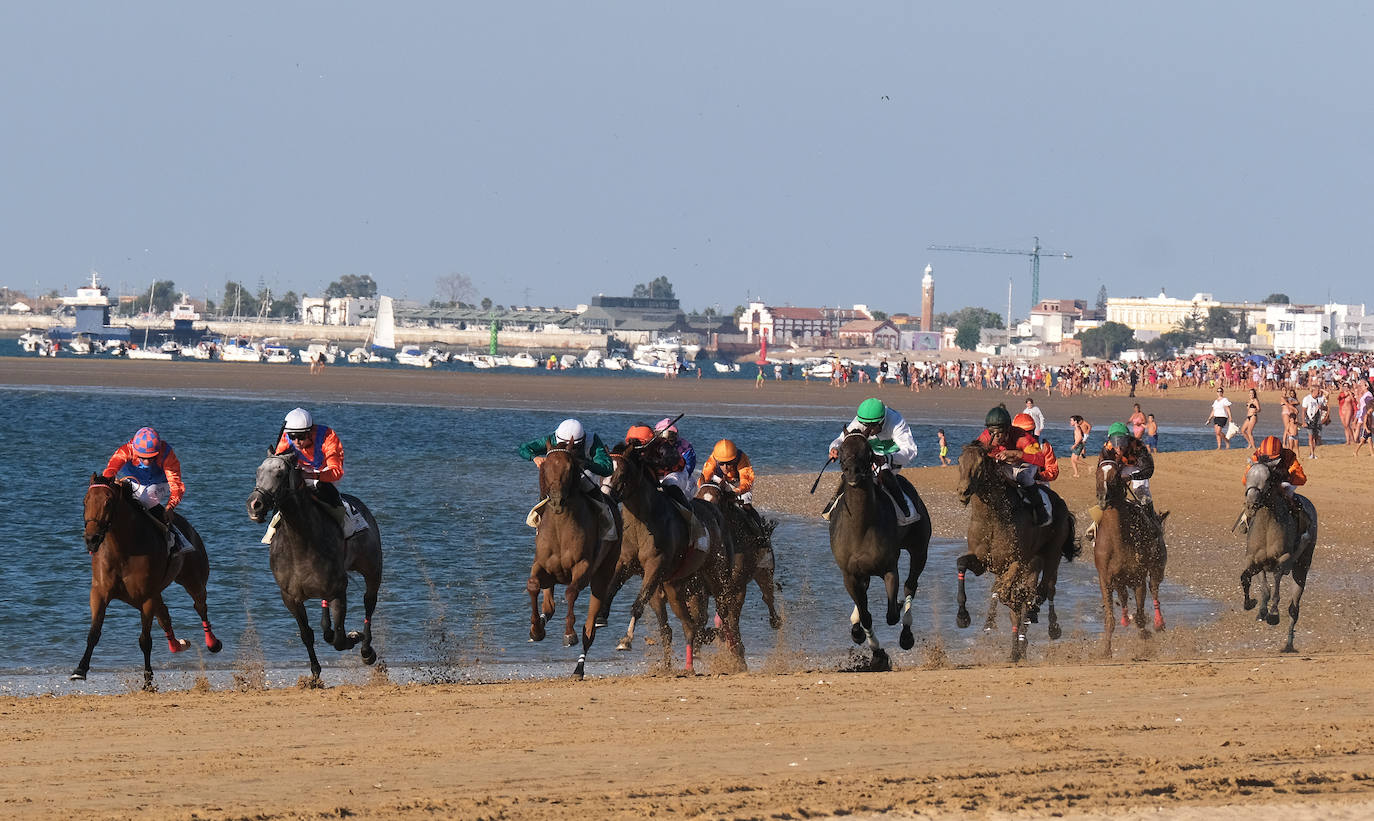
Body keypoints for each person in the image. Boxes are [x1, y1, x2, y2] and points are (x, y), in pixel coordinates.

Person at [518, 418, 618, 544]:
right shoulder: (553, 439)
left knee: (598, 498)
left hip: (583, 475)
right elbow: (523, 448)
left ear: (581, 441)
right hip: (560, 478)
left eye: (573, 447)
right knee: (548, 491)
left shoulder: (592, 440)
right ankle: (539, 525)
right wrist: (534, 457)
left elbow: (607, 468)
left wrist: (586, 464)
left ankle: (609, 531)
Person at [101, 426, 191, 555]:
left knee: (144, 499)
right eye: (142, 457)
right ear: (135, 451)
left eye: (151, 457)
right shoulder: (126, 450)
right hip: (131, 481)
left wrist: (170, 506)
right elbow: (110, 471)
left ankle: (175, 538)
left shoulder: (167, 454)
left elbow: (176, 485)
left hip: (158, 483)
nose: (147, 461)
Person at [827, 397, 919, 519]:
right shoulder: (861, 420)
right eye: (865, 425)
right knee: (850, 473)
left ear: (882, 421)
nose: (868, 429)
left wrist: (887, 458)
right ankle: (832, 505)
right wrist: (834, 448)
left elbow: (911, 450)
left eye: (872, 426)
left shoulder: (896, 421)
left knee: (884, 473)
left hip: (891, 456)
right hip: (868, 453)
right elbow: (842, 439)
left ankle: (904, 510)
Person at [273, 407, 351, 535]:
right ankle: (273, 531)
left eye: (301, 437)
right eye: (292, 437)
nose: (297, 442)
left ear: (310, 431)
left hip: (326, 471)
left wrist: (311, 475)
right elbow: (279, 463)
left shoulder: (328, 437)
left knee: (320, 488)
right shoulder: (286, 438)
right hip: (301, 469)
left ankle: (345, 527)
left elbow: (336, 472)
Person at [974, 405, 1052, 525]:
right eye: (992, 432)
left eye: (1000, 433)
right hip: (1004, 464)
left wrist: (1017, 453)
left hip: (1026, 464)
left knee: (1023, 477)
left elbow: (1041, 460)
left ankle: (1041, 511)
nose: (996, 437)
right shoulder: (986, 436)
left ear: (1008, 429)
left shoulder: (1023, 438)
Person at [1085, 421, 1158, 543]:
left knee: (1142, 492)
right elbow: (1101, 471)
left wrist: (1130, 477)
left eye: (1122, 442)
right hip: (1118, 467)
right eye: (1115, 442)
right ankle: (1096, 522)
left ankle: (1152, 522)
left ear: (1128, 439)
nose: (1118, 447)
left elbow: (1148, 469)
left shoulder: (1139, 447)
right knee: (1107, 490)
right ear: (1110, 440)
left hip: (1136, 468)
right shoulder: (1107, 449)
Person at [1241, 435, 1309, 535]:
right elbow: (1246, 479)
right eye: (1268, 459)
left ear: (1281, 452)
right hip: (1265, 482)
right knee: (1253, 495)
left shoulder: (1289, 455)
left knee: (1289, 494)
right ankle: (1246, 518)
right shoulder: (1256, 455)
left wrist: (1287, 477)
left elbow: (1301, 477)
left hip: (1284, 481)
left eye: (1274, 459)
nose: (1271, 461)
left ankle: (1299, 520)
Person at [698, 439, 767, 529]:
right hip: (720, 480)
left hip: (738, 483)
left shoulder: (742, 458)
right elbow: (704, 479)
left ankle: (759, 530)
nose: (725, 467)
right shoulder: (713, 458)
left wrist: (735, 492)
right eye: (721, 464)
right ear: (717, 460)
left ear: (734, 459)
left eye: (729, 463)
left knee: (746, 505)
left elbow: (746, 482)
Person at [1301, 385, 1328, 458]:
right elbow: (1303, 411)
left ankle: (1311, 452)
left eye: (1319, 390)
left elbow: (1326, 407)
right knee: (1311, 437)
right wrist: (1303, 422)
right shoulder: (1307, 399)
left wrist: (1321, 407)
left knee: (1316, 437)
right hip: (1310, 419)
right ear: (1313, 391)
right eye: (1317, 390)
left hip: (1318, 420)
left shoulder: (1320, 399)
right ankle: (1312, 454)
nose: (1319, 392)